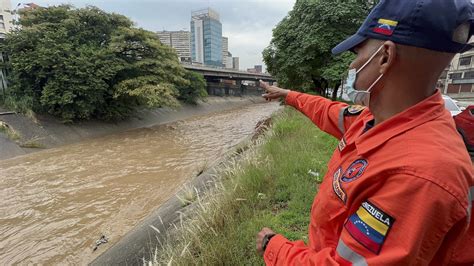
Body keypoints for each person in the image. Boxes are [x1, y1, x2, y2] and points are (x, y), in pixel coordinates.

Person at [256, 0, 474, 265]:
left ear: (384, 57)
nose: (352, 67)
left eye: (357, 54)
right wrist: (288, 95)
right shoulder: (376, 120)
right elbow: (326, 110)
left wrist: (275, 248)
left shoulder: (421, 174)